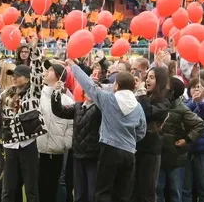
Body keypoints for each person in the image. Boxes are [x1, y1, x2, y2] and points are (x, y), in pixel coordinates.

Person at [67, 57, 146, 202]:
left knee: (103, 191)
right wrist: (130, 139)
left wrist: (75, 67)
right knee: (123, 194)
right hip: (129, 152)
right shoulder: (138, 106)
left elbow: (89, 86)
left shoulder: (108, 99)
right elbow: (142, 130)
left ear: (116, 86)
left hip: (109, 149)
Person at [0, 38, 45, 202]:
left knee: (31, 189)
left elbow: (38, 74)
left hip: (28, 145)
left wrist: (34, 53)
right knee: (8, 190)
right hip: (10, 145)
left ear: (27, 78)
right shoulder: (5, 94)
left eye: (18, 76)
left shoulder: (34, 92)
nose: (14, 78)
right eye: (13, 76)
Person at [51, 63, 102, 202]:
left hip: (93, 156)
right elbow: (59, 110)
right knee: (79, 192)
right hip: (78, 154)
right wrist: (56, 93)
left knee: (92, 192)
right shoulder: (78, 107)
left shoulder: (99, 109)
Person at [158, 76, 204, 202]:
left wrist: (187, 140)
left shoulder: (181, 109)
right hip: (160, 155)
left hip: (176, 158)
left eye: (166, 87)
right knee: (158, 190)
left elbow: (200, 124)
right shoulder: (160, 104)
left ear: (172, 92)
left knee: (176, 192)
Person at [37, 61, 74, 202]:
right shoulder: (38, 97)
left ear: (59, 76)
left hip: (57, 151)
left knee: (53, 189)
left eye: (50, 70)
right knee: (37, 188)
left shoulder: (67, 101)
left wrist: (65, 143)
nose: (46, 72)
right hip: (38, 151)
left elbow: (71, 125)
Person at [134, 67, 171, 202]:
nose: (147, 80)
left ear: (159, 81)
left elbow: (147, 112)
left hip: (150, 151)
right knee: (133, 190)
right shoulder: (141, 96)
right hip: (135, 148)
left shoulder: (164, 101)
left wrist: (142, 94)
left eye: (152, 77)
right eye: (147, 77)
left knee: (147, 191)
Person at [183, 78, 204, 202]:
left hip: (203, 150)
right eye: (193, 86)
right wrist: (192, 103)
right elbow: (183, 115)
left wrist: (200, 102)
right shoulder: (185, 103)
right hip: (187, 150)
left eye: (199, 87)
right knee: (186, 188)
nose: (196, 89)